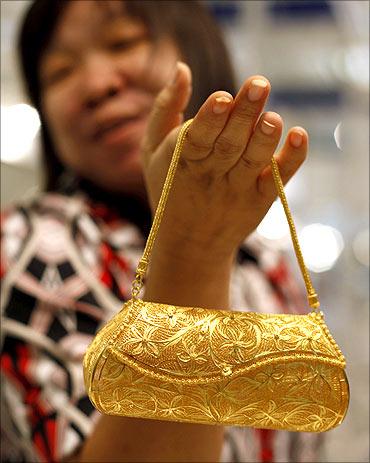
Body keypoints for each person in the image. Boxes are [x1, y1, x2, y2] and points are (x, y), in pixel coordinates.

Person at [1, 1, 322, 461]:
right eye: (59, 73)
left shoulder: (266, 262)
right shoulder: (29, 242)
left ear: (198, 49)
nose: (97, 84)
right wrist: (193, 251)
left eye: (123, 43)